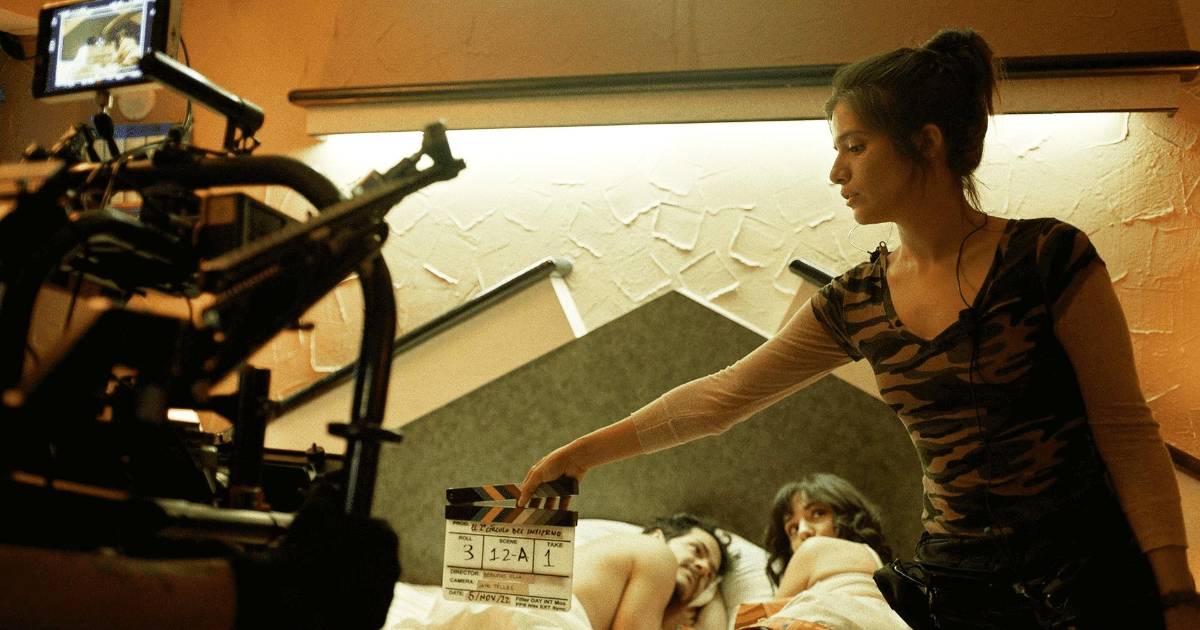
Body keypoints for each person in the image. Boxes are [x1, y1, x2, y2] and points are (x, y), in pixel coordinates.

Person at [519, 27, 1199, 629]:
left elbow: (1124, 428)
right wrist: (577, 455)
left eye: (855, 146)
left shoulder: (1048, 258)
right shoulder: (858, 300)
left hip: (1088, 578)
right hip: (960, 591)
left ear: (925, 143)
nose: (836, 171)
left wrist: (1177, 593)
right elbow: (722, 398)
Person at [734, 474, 910, 630]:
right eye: (793, 528)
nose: (803, 531)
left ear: (845, 514)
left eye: (818, 513)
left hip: (826, 619)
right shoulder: (874, 559)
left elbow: (768, 612)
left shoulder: (813, 548)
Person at [574, 513, 732, 630]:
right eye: (696, 550)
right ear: (656, 536)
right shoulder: (656, 551)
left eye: (709, 576)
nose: (703, 568)